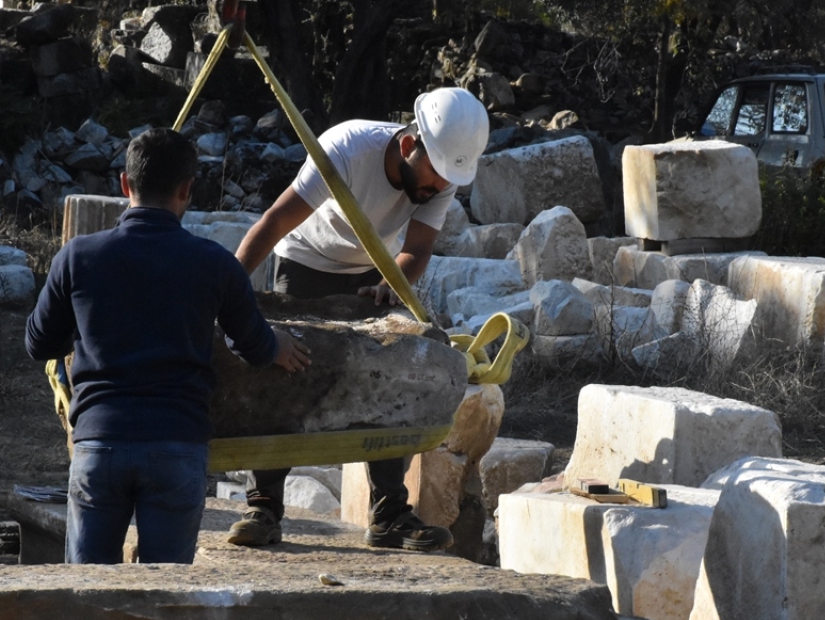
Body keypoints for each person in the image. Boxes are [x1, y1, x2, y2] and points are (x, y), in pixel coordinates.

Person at [25, 128, 311, 564]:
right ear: (187, 189)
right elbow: (251, 345)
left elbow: (38, 342)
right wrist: (278, 346)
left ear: (125, 184)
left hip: (100, 443)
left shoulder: (78, 256)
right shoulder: (214, 262)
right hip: (177, 444)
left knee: (86, 595)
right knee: (167, 595)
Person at [226, 87, 490, 552]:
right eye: (433, 177)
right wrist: (223, 291)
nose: (437, 188)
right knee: (282, 372)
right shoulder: (347, 150)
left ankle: (389, 513)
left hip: (375, 268)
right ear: (410, 146)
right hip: (305, 259)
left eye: (446, 180)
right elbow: (273, 223)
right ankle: (263, 505)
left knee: (389, 377)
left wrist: (393, 284)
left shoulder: (442, 174)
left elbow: (418, 249)